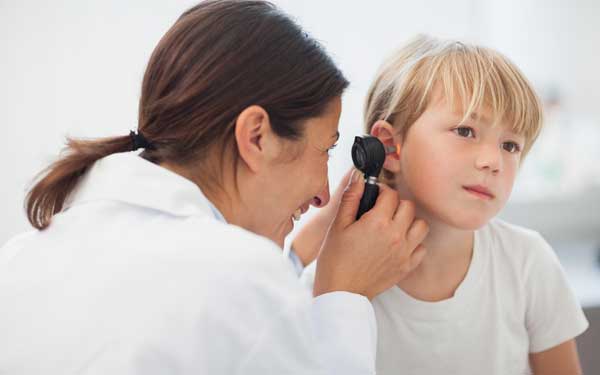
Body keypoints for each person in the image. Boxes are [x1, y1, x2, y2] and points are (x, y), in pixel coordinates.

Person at [0, 2, 429, 374]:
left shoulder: (20, 256)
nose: (322, 193)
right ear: (257, 136)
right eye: (325, 150)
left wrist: (294, 260)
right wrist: (345, 296)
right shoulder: (236, 276)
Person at [297, 35, 589, 375]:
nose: (493, 160)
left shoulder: (527, 262)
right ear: (390, 148)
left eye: (510, 145)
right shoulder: (334, 288)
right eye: (465, 131)